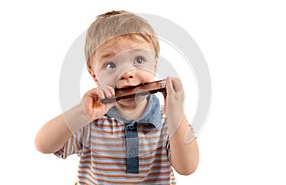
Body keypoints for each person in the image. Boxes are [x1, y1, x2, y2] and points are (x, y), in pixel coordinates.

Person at [35, 10, 199, 185]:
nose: (127, 73)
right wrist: (82, 113)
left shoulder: (169, 119)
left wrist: (176, 115)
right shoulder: (89, 120)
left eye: (139, 60)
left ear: (155, 64)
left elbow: (187, 167)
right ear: (94, 75)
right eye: (111, 64)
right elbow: (43, 145)